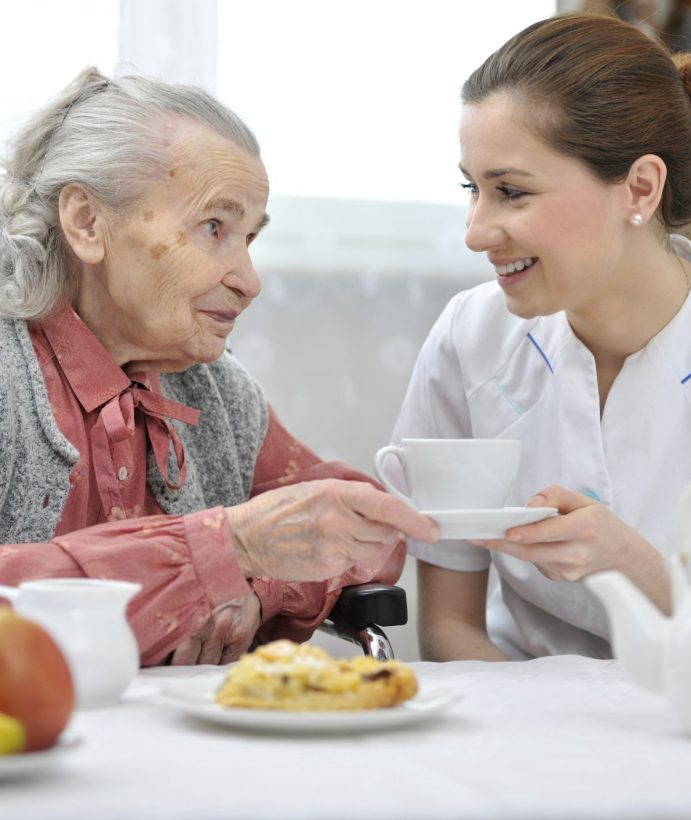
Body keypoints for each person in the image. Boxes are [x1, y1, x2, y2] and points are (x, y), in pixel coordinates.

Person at [389, 12, 691, 661]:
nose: (475, 230)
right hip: (512, 723)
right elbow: (450, 628)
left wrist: (629, 563)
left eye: (511, 192)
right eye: (472, 188)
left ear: (639, 187)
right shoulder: (469, 339)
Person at [0, 67, 439, 667]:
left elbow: (363, 526)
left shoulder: (211, 385)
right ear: (86, 222)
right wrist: (225, 549)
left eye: (250, 238)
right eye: (214, 228)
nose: (249, 281)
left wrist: (257, 583)